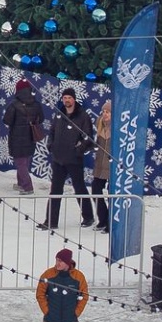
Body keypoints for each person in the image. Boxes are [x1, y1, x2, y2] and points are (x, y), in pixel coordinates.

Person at [42, 87, 96, 230]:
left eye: (69, 98)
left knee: (79, 188)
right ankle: (50, 221)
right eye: (65, 97)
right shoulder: (59, 114)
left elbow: (88, 138)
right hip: (58, 158)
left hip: (74, 159)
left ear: (74, 99)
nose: (67, 100)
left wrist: (78, 150)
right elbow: (52, 131)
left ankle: (88, 216)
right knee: (55, 190)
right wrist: (51, 145)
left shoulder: (83, 116)